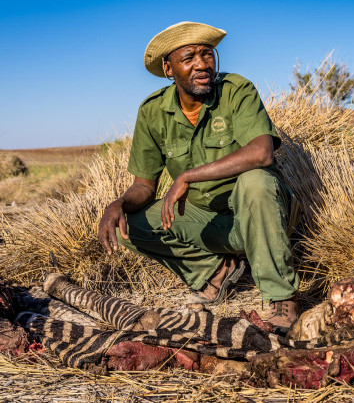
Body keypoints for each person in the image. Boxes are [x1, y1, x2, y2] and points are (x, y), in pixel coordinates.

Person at [98, 21, 300, 329]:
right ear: (169, 68)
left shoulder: (236, 90)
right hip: (209, 221)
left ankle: (282, 299)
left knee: (256, 180)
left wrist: (188, 176)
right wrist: (119, 204)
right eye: (189, 58)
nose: (202, 64)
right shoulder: (152, 112)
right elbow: (144, 185)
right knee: (130, 224)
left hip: (263, 213)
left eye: (207, 54)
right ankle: (216, 271)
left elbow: (262, 153)